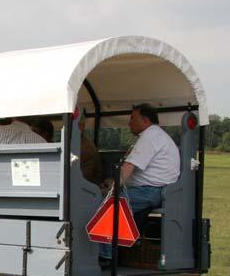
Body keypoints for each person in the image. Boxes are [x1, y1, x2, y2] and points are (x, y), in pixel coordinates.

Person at [98, 103, 180, 262]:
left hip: (150, 191)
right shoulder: (156, 135)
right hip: (152, 190)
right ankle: (117, 251)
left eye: (132, 118)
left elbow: (129, 166)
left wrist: (111, 191)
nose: (129, 123)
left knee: (110, 205)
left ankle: (105, 255)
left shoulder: (150, 136)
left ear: (145, 120)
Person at [74, 110, 104, 185]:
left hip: (88, 188)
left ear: (82, 126)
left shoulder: (87, 148)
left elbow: (86, 176)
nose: (71, 128)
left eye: (75, 125)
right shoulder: (74, 143)